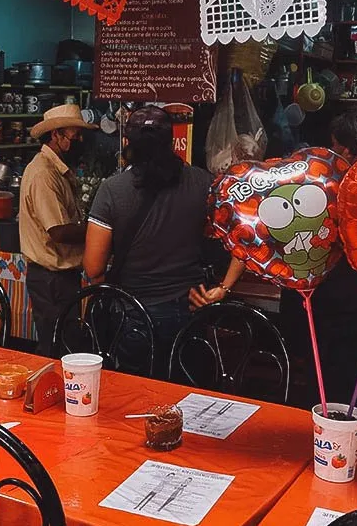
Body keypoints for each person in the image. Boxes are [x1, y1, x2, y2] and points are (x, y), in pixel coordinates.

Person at [193, 109, 357, 417]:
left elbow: (257, 230)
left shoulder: (323, 189)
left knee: (330, 400)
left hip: (336, 319)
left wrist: (225, 286)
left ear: (343, 150)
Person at [83, 106, 214, 375]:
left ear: (128, 142)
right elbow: (242, 235)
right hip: (191, 309)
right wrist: (224, 286)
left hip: (135, 312)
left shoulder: (112, 190)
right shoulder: (202, 182)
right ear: (171, 139)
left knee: (137, 396)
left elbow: (93, 268)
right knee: (184, 392)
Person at [19, 104, 97, 356]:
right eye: (75, 137)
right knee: (58, 346)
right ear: (56, 135)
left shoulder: (57, 169)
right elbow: (59, 232)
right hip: (51, 279)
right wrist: (99, 231)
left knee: (66, 342)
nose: (80, 142)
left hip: (60, 277)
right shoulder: (43, 174)